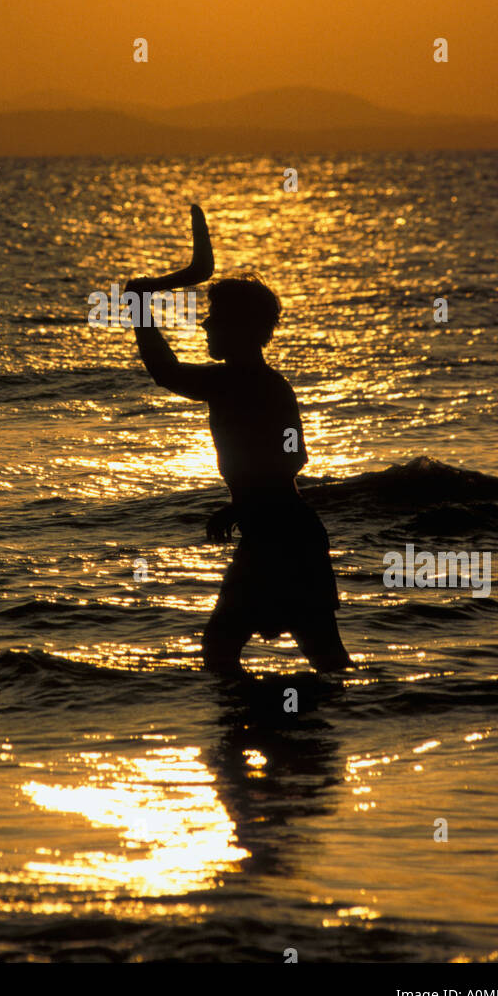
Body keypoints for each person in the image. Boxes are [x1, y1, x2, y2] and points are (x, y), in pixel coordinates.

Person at [125, 208, 351, 676]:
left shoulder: (250, 384)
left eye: (215, 320)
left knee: (230, 648)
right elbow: (167, 373)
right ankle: (280, 728)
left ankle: (255, 728)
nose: (205, 327)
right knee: (313, 655)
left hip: (281, 537)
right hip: (279, 534)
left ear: (243, 330)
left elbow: (291, 459)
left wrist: (140, 307)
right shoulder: (246, 381)